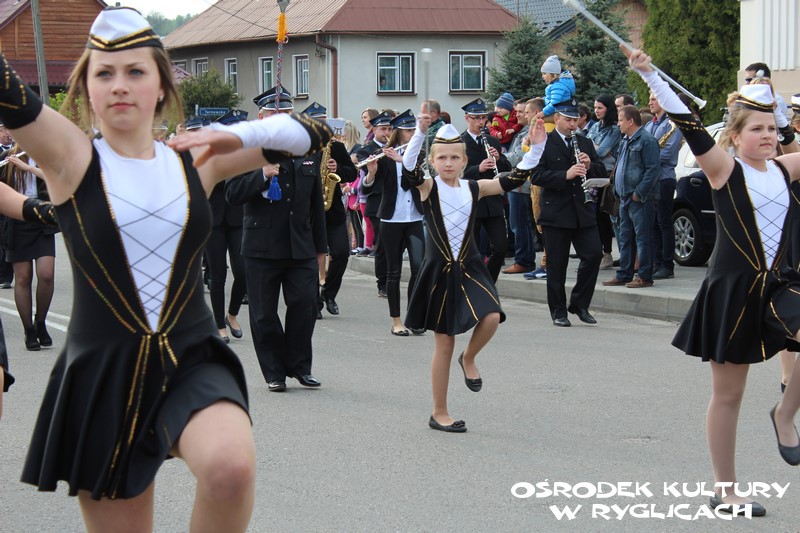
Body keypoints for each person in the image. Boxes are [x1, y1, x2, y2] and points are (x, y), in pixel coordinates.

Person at [7, 7, 330, 531]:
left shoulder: (197, 158)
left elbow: (315, 132)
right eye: (104, 73)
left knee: (230, 468)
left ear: (161, 85)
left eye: (136, 71)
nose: (119, 85)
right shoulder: (70, 156)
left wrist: (239, 136)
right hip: (104, 368)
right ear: (85, 88)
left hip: (190, 355)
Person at [627, 47, 800, 516]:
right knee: (729, 394)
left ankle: (785, 413)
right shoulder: (725, 169)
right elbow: (688, 125)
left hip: (778, 284)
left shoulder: (785, 168)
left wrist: (783, 121)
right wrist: (650, 74)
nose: (767, 136)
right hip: (733, 292)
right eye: (757, 129)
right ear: (735, 136)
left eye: (772, 129)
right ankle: (726, 490)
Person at [401, 104, 548, 432]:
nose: (448, 163)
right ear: (432, 161)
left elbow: (514, 179)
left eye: (454, 157)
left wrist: (537, 148)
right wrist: (420, 133)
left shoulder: (474, 187)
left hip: (470, 265)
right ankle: (439, 412)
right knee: (444, 343)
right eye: (442, 157)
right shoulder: (428, 187)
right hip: (439, 271)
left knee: (492, 316)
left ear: (464, 161)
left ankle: (469, 357)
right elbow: (409, 172)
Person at [226, 87, 328, 393]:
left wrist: (321, 248)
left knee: (306, 304)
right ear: (261, 117)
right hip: (262, 246)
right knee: (263, 314)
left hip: (300, 244)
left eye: (285, 112)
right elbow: (232, 194)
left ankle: (299, 366)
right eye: (274, 113)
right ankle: (274, 371)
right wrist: (261, 175)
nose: (280, 117)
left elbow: (315, 203)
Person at [531, 99, 607, 327]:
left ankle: (579, 304)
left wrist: (590, 165)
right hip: (556, 212)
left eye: (575, 120)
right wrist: (565, 175)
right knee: (557, 264)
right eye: (568, 120)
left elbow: (602, 170)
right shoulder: (545, 142)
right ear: (556, 119)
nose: (573, 124)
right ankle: (558, 311)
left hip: (582, 210)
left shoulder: (584, 142)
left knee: (593, 254)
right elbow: (536, 175)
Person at [362, 109, 425, 336]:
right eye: (408, 131)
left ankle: (413, 318)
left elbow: (421, 181)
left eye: (414, 131)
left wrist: (404, 160)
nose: (412, 135)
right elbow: (366, 188)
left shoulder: (418, 155)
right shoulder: (383, 156)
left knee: (418, 268)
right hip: (391, 219)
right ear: (398, 133)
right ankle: (396, 321)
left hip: (414, 218)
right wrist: (371, 173)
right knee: (394, 272)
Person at [301, 102, 357, 318]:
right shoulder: (300, 148)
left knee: (341, 252)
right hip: (308, 211)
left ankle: (329, 293)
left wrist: (338, 169)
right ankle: (313, 301)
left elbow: (352, 173)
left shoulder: (336, 147)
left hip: (332, 210)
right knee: (311, 259)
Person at [1, 149, 57, 350]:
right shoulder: (7, 158)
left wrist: (27, 167)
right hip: (16, 222)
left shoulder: (43, 156)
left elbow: (54, 179)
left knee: (46, 274)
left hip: (41, 218)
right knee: (23, 277)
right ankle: (29, 330)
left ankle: (40, 322)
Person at [601, 105, 660, 288]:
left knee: (643, 238)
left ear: (630, 121)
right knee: (625, 237)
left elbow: (653, 170)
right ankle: (625, 274)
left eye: (620, 120)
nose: (618, 124)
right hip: (624, 197)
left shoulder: (647, 140)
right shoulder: (625, 140)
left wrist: (639, 193)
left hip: (640, 199)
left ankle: (644, 276)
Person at [204, 110, 248, 343]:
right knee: (218, 273)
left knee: (242, 271)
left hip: (238, 218)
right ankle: (219, 325)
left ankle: (232, 315)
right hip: (213, 221)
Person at [460, 98, 512, 282]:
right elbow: (455, 173)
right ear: (467, 118)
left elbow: (507, 168)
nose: (481, 122)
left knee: (500, 247)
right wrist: (478, 169)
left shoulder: (491, 141)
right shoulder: (459, 142)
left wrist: (499, 159)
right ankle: (471, 283)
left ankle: (489, 282)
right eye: (476, 118)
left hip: (493, 201)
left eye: (483, 118)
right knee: (471, 251)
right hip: (471, 201)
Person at [644, 90, 684, 281]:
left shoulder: (672, 124)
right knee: (653, 223)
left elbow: (667, 153)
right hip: (651, 179)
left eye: (653, 99)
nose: (650, 102)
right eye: (649, 99)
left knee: (664, 222)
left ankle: (667, 265)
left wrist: (647, 160)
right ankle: (656, 262)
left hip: (664, 178)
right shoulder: (650, 124)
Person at [358, 110, 396, 297]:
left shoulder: (397, 148)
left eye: (389, 129)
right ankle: (383, 284)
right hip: (378, 203)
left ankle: (393, 280)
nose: (387, 133)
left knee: (395, 245)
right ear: (374, 130)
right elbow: (367, 179)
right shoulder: (366, 150)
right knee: (382, 245)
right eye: (383, 129)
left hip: (396, 202)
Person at [587, 95, 622, 270]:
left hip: (607, 175)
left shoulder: (614, 129)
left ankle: (607, 253)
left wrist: (594, 148)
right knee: (593, 216)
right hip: (592, 173)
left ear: (608, 109)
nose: (596, 111)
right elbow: (585, 145)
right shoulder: (595, 126)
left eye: (600, 108)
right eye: (595, 107)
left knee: (605, 216)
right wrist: (595, 148)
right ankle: (598, 252)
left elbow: (601, 152)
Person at [503, 99, 536, 274]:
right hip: (517, 183)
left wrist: (500, 157)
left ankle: (523, 260)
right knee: (520, 223)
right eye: (517, 111)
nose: (518, 115)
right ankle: (525, 259)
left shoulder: (530, 132)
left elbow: (518, 157)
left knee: (519, 224)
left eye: (523, 112)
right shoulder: (522, 131)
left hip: (521, 183)